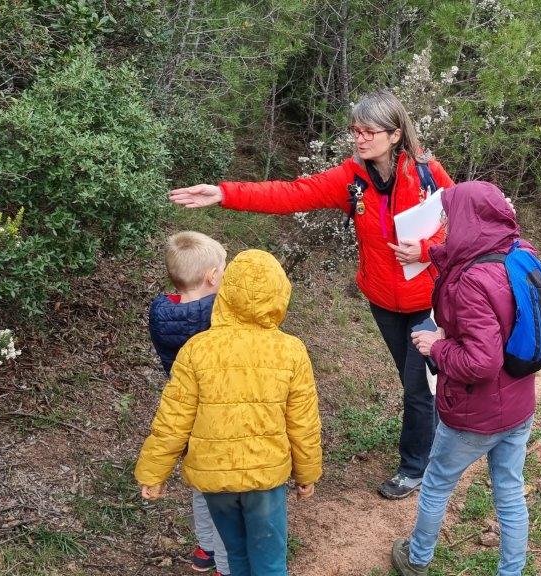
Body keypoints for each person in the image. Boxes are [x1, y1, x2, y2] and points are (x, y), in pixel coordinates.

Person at [168, 91, 452, 500]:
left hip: (428, 299)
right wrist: (224, 193)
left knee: (416, 386)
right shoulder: (351, 180)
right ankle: (442, 424)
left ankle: (415, 467)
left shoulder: (427, 173)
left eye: (369, 131)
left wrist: (428, 250)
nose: (359, 139)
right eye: (356, 131)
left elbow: (461, 217)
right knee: (418, 379)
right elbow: (291, 194)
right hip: (383, 301)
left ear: (394, 134)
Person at [136, 250, 323, 576]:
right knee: (269, 561)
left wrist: (154, 473)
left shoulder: (197, 349)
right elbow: (303, 423)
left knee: (235, 555)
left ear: (226, 292)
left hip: (214, 476)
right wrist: (306, 474)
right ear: (280, 294)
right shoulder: (292, 352)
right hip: (264, 479)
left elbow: (172, 421)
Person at [389, 181, 537, 576]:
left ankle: (416, 559)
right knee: (509, 491)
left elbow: (481, 362)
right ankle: (512, 570)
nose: (445, 223)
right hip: (519, 404)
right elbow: (463, 256)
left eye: (449, 217)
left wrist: (434, 346)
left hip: (475, 410)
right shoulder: (517, 251)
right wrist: (430, 252)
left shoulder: (470, 283)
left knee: (436, 485)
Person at [146, 231, 230, 575]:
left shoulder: (160, 312)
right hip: (219, 415)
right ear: (212, 277)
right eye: (223, 269)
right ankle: (227, 564)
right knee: (225, 495)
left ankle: (204, 549)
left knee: (200, 485)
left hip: (185, 414)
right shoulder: (218, 313)